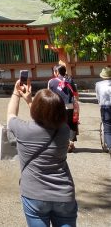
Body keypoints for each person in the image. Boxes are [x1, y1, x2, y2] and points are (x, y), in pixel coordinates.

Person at [7, 82, 77, 226]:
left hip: (34, 193)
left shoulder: (23, 130)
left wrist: (16, 93)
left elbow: (10, 115)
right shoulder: (64, 130)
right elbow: (47, 116)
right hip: (64, 193)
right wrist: (30, 101)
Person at [48, 65, 78, 153]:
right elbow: (76, 94)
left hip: (58, 106)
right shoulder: (70, 80)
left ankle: (63, 143)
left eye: (54, 71)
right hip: (70, 106)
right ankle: (71, 141)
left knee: (60, 124)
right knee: (72, 123)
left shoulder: (51, 82)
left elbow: (48, 95)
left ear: (57, 72)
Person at [96, 66, 111, 153]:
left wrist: (100, 104)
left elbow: (98, 97)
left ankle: (110, 146)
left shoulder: (98, 84)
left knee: (107, 128)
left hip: (105, 107)